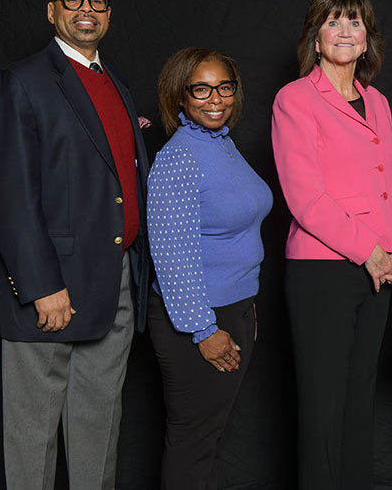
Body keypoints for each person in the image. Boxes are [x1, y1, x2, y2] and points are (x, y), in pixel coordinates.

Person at [0, 0, 150, 489]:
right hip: (50, 287)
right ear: (51, 11)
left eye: (98, 1)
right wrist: (40, 286)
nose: (86, 9)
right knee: (33, 436)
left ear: (109, 13)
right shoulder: (23, 81)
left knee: (99, 427)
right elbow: (9, 194)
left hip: (116, 280)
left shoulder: (115, 83)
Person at [271, 0, 392, 490]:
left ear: (368, 38)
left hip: (378, 270)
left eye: (356, 22)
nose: (347, 31)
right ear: (316, 37)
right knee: (324, 406)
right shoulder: (295, 99)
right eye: (335, 22)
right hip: (323, 271)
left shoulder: (378, 101)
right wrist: (371, 251)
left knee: (359, 400)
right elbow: (305, 197)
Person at [145, 48, 272, 489]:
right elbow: (170, 255)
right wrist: (204, 329)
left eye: (225, 87)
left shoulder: (222, 144)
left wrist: (244, 308)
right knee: (193, 441)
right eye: (201, 88)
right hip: (198, 321)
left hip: (232, 309)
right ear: (180, 96)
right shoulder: (179, 158)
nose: (215, 98)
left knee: (208, 438)